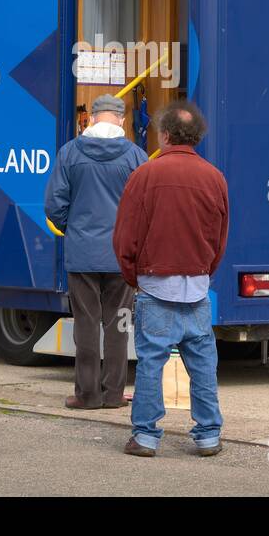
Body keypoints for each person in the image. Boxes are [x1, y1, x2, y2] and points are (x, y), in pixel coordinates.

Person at [113, 100, 228, 457]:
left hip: (153, 283)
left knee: (151, 362)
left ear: (163, 134)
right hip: (195, 286)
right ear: (196, 136)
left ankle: (146, 436)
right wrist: (205, 271)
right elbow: (220, 237)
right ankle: (208, 434)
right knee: (203, 364)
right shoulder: (214, 177)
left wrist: (133, 276)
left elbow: (125, 236)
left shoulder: (145, 175)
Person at [44, 94, 148, 409]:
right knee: (117, 325)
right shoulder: (136, 157)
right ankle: (114, 394)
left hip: (82, 255)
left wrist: (73, 228)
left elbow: (54, 203)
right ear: (120, 120)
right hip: (121, 256)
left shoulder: (70, 153)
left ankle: (86, 395)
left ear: (91, 118)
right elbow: (146, 206)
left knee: (86, 324)